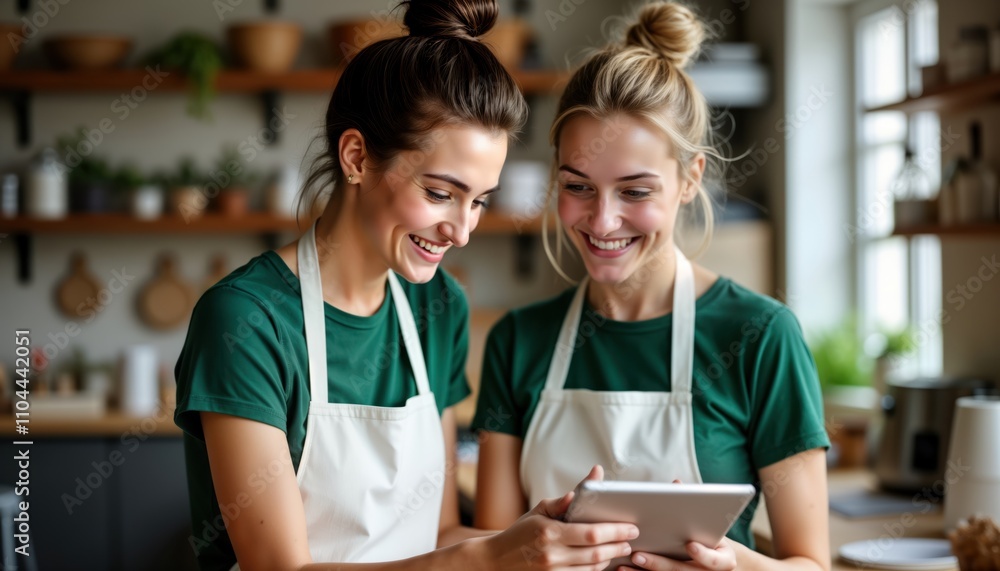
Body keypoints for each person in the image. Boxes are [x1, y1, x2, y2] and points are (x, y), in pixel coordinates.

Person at [173, 1, 640, 569]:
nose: (462, 231)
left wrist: (545, 541)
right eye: (441, 193)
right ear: (356, 157)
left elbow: (436, 530)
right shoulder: (247, 321)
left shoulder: (438, 306)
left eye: (480, 202)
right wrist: (490, 558)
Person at [471, 2, 832, 570]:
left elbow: (813, 564)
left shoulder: (761, 336)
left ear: (690, 180)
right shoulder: (518, 341)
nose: (602, 220)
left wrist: (735, 567)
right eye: (578, 186)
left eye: (635, 191)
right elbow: (489, 553)